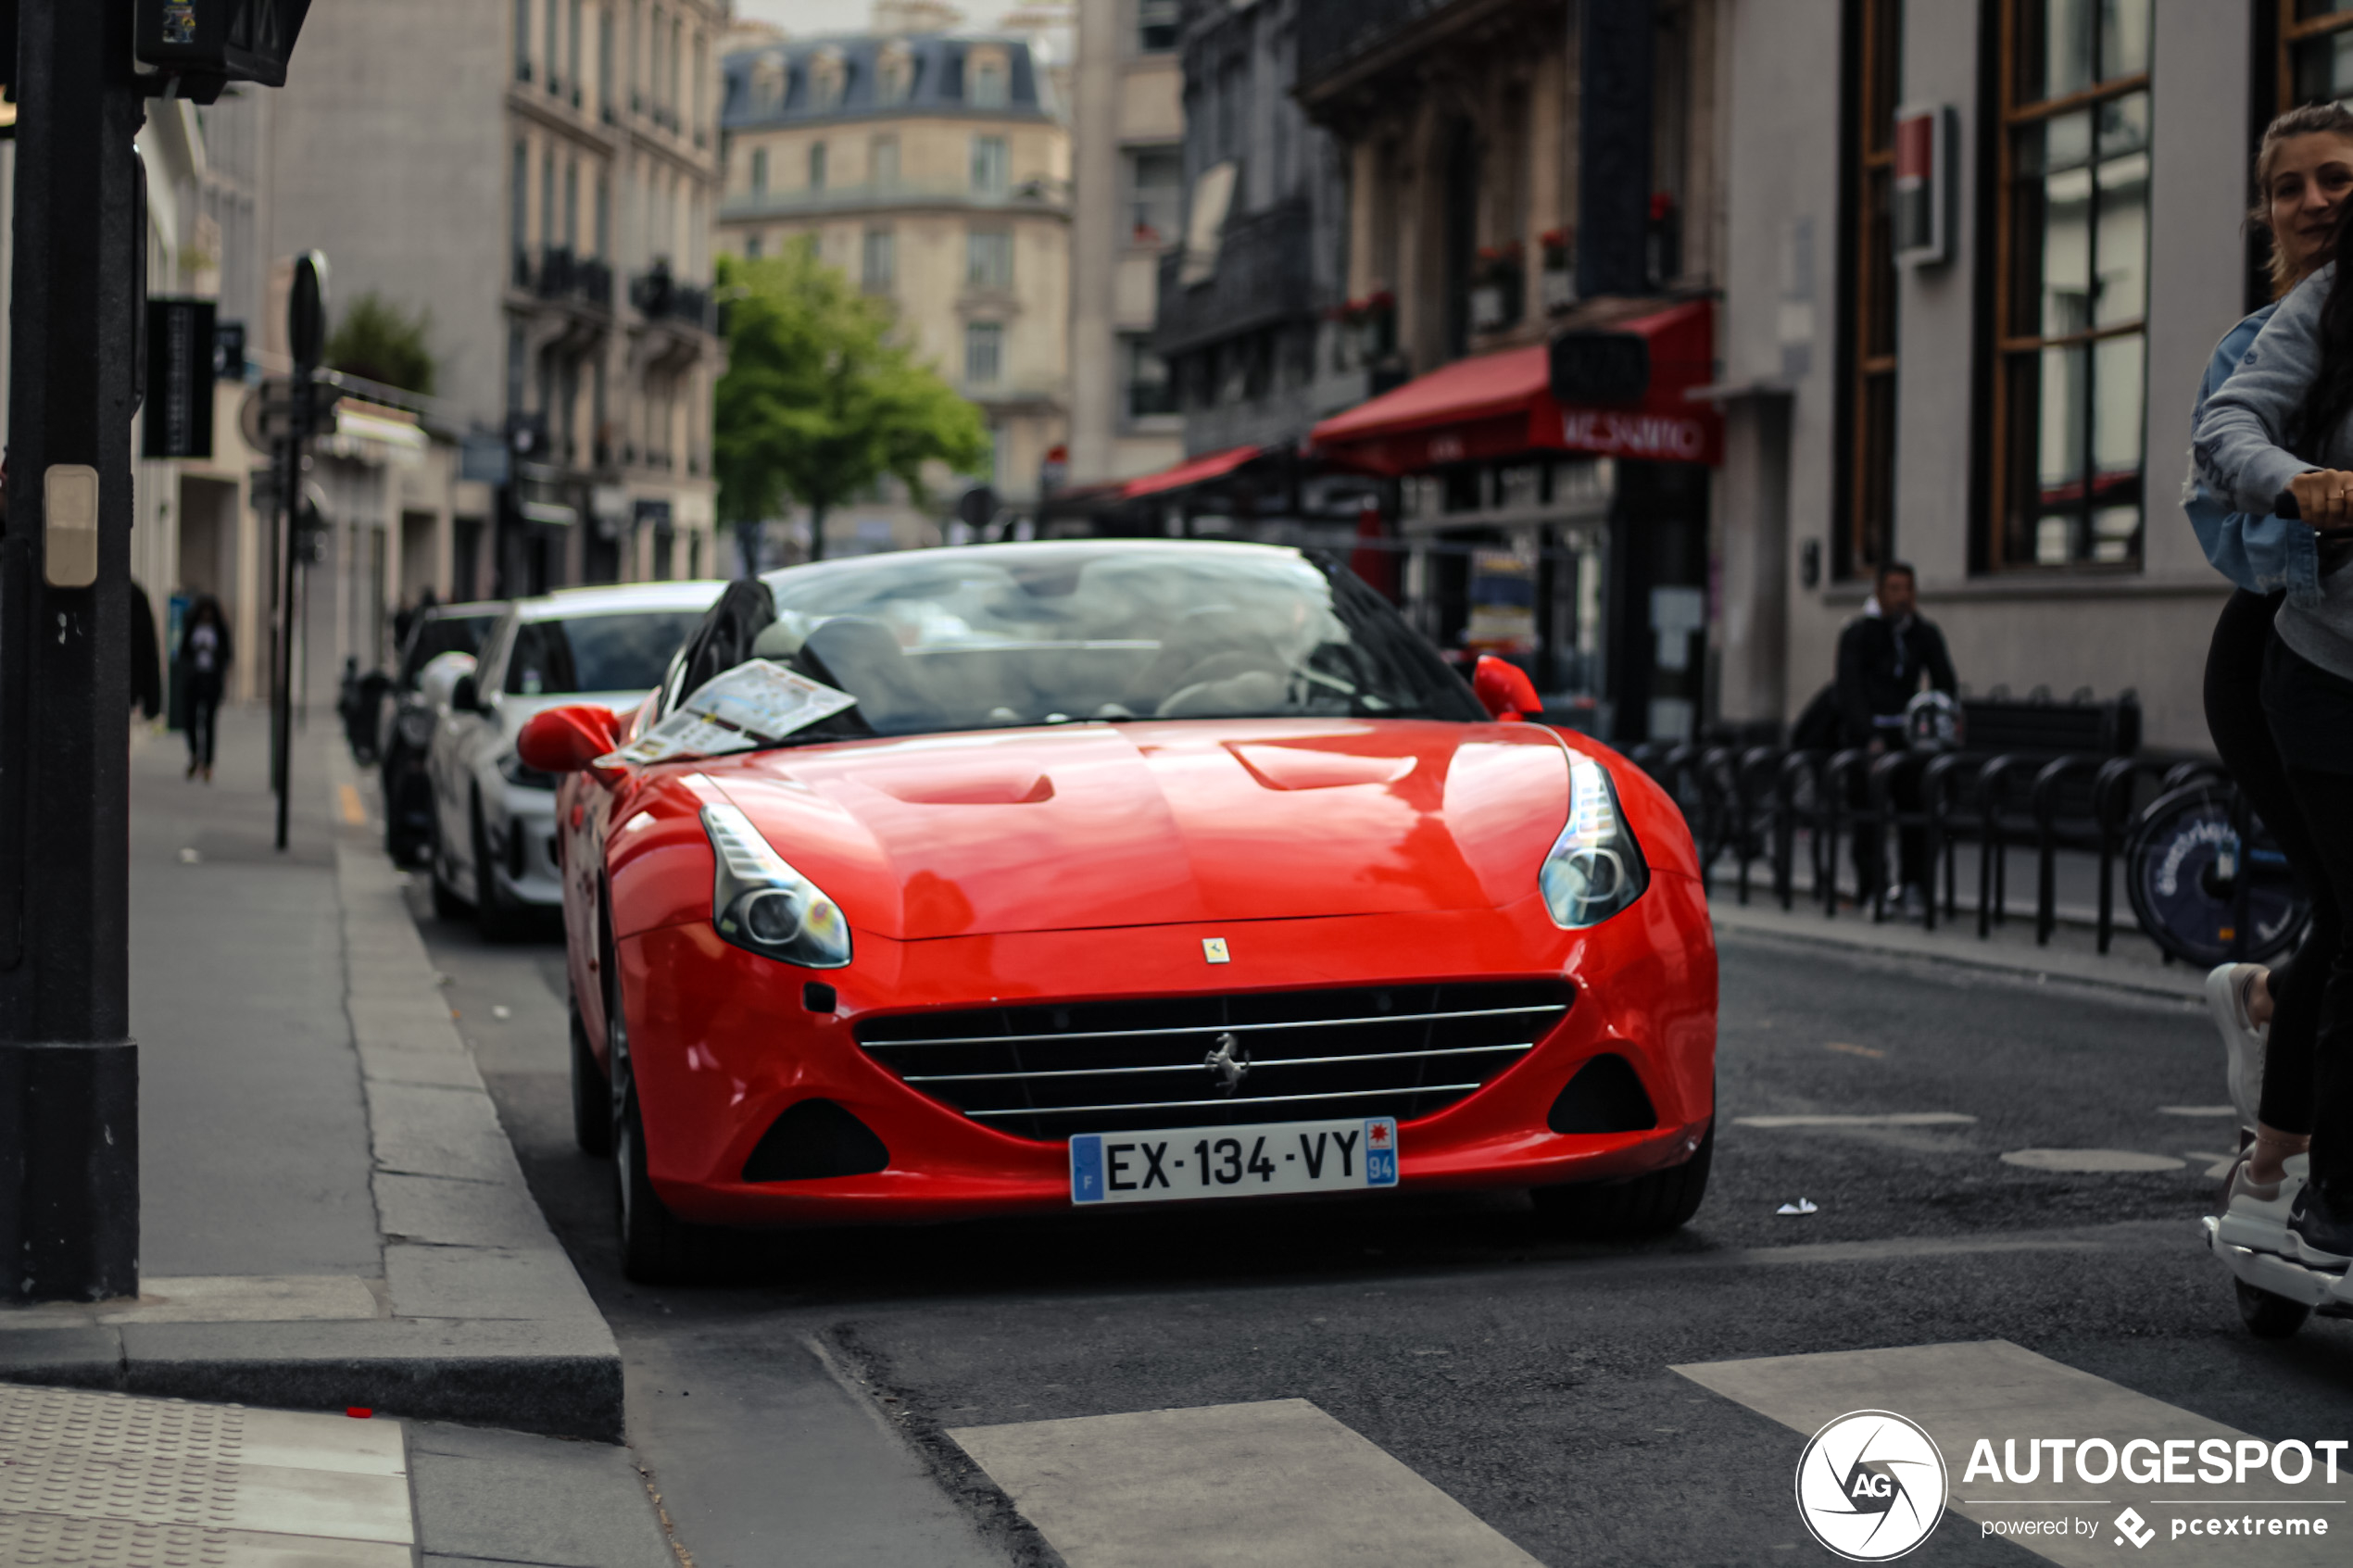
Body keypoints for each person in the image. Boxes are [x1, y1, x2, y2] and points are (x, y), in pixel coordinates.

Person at [2183, 105, 2353, 1251]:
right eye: (2290, 188)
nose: (2314, 202)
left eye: (2334, 178)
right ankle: (2286, 1158)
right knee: (2348, 908)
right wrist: (2311, 500)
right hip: (2273, 649)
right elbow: (2220, 511)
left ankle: (2266, 1003)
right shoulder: (2265, 338)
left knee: (2343, 913)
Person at [1832, 561, 1957, 914]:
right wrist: (1867, 735)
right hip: (1868, 737)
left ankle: (1914, 885)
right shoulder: (1858, 633)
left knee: (1917, 814)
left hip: (1909, 737)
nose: (1903, 597)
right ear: (1879, 591)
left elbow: (1944, 679)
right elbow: (1849, 688)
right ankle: (1873, 888)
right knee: (1868, 819)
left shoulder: (1922, 633)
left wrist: (1938, 722)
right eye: (1896, 589)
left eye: (1909, 590)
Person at [178, 596, 231, 783]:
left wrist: (212, 653)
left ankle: (208, 763)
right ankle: (194, 755)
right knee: (191, 721)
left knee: (208, 722)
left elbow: (226, 654)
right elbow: (183, 652)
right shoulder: (193, 628)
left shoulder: (219, 630)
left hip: (211, 681)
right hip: (194, 680)